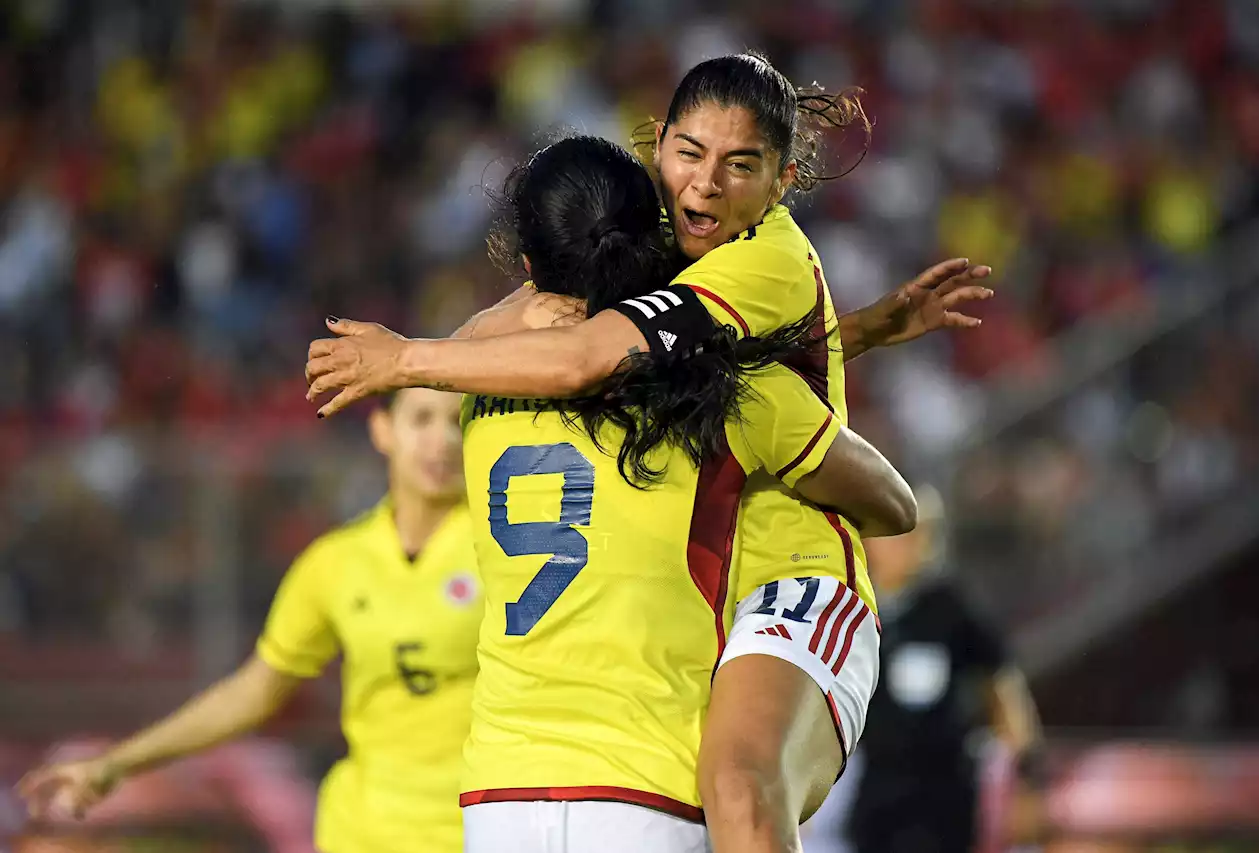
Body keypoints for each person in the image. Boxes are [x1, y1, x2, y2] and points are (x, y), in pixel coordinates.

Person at [304, 53, 993, 853]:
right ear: (656, 142)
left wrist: (405, 360)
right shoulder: (652, 223)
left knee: (737, 783)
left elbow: (580, 356)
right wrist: (848, 334)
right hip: (701, 608)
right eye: (689, 153)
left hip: (792, 578)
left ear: (782, 179)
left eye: (743, 166)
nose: (705, 185)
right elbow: (543, 324)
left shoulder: (761, 261)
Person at [17, 388, 483, 853]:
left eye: (456, 422)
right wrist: (115, 765)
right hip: (361, 832)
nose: (441, 440)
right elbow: (256, 690)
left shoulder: (505, 550)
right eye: (421, 419)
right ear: (382, 430)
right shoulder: (335, 562)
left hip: (482, 826)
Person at [849, 485, 1045, 853]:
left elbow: (1002, 686)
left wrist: (1021, 774)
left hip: (944, 791)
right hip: (878, 788)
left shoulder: (950, 610)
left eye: (916, 533)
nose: (903, 544)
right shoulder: (856, 610)